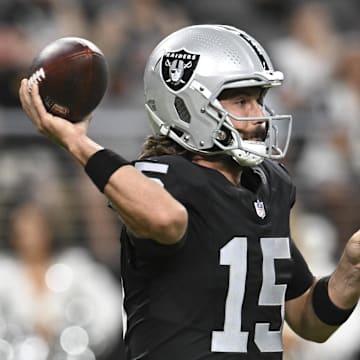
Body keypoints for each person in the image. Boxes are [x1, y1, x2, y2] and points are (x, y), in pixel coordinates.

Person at [19, 24, 360, 360]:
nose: (259, 116)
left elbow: (308, 321)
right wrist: (76, 141)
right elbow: (166, 218)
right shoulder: (167, 177)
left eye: (259, 100)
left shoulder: (268, 186)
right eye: (241, 101)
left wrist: (349, 270)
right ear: (187, 107)